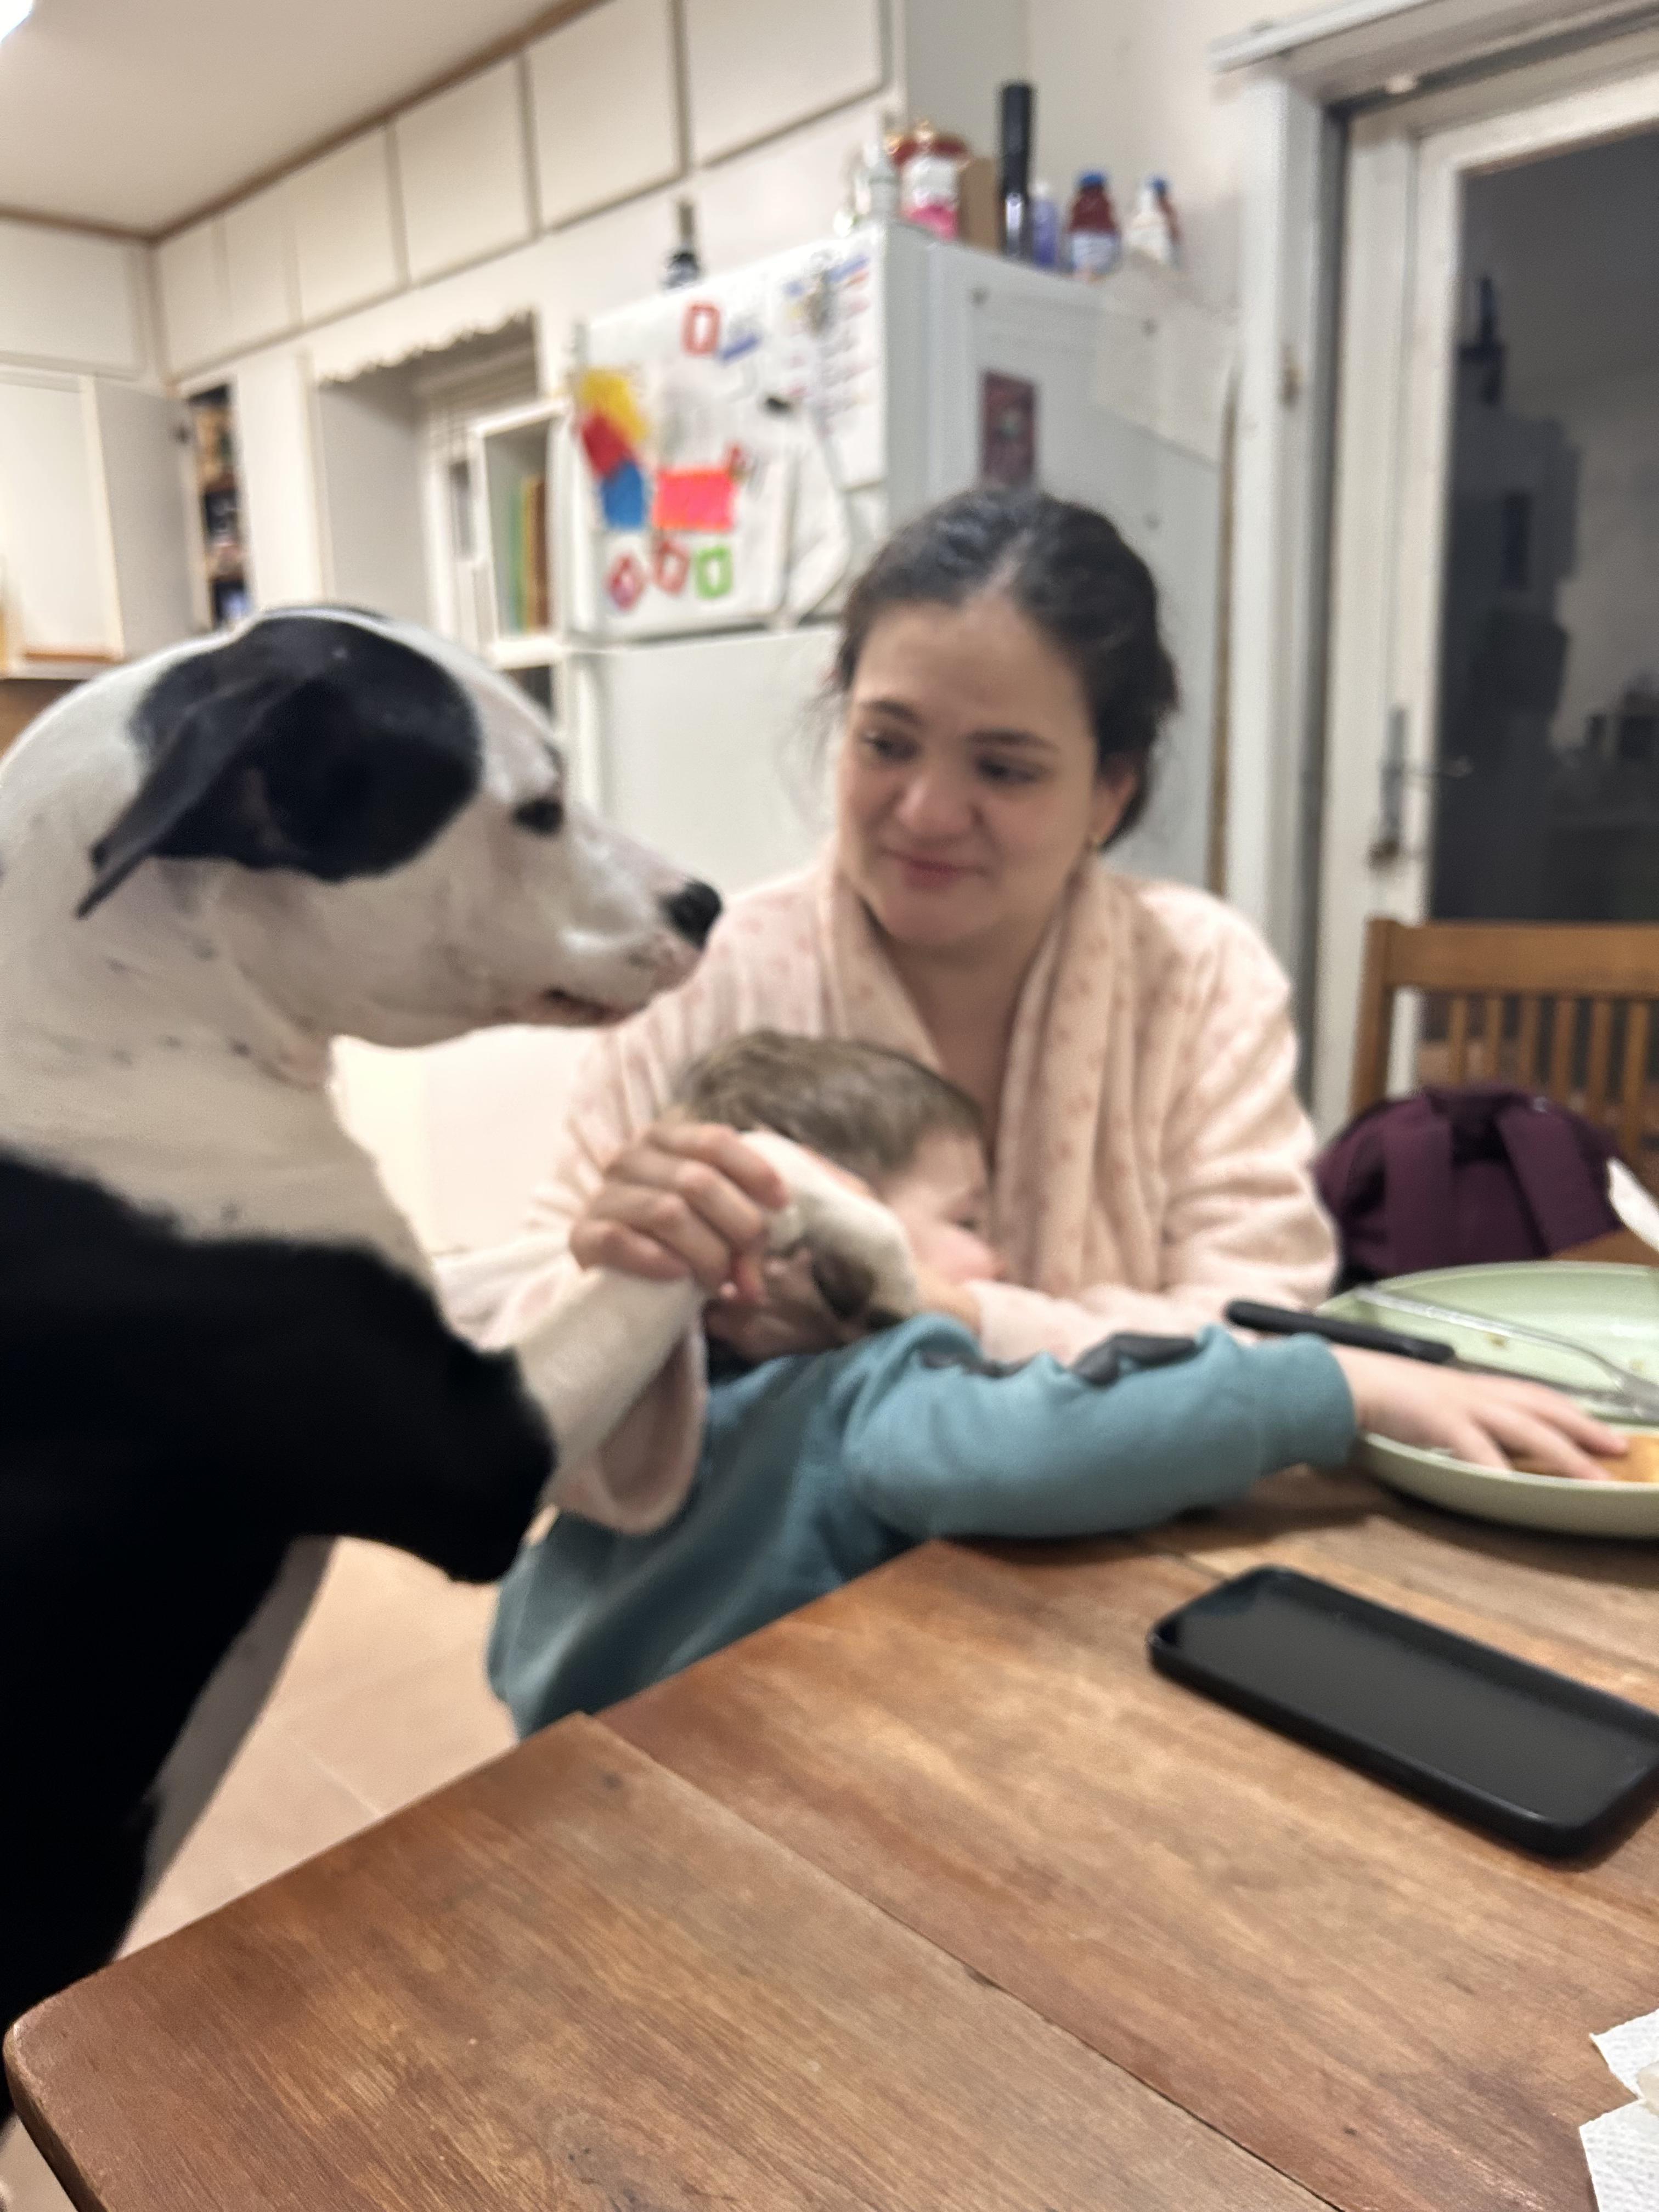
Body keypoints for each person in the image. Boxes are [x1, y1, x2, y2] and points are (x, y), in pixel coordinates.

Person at [443, 487, 1340, 1534]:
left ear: (1110, 791)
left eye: (1003, 768)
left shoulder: (1197, 979)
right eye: (887, 744)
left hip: (1129, 1585)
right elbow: (531, 1370)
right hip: (764, 1616)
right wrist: (629, 1283)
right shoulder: (707, 979)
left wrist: (943, 1306)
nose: (925, 812)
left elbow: (1264, 1341)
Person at [488, 1033, 1620, 1735]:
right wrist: (1323, 1387)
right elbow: (1038, 1441)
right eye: (967, 1224)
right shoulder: (866, 1391)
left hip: (556, 1738)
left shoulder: (653, 1390)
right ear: (817, 1249)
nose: (995, 1264)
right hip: (706, 1794)